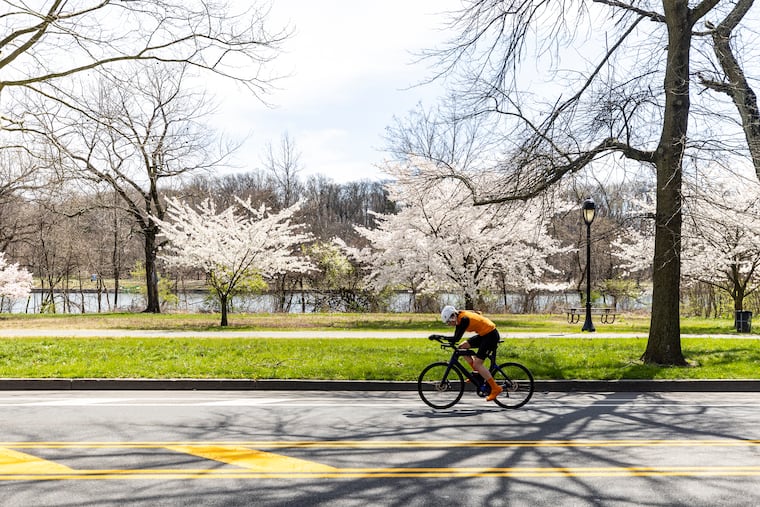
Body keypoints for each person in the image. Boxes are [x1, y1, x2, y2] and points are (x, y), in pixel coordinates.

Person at [440, 305, 503, 402]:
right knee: (462, 348)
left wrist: (439, 337)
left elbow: (456, 338)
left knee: (478, 363)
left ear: (453, 316)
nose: (449, 324)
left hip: (490, 336)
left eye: (449, 321)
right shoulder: (460, 317)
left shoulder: (463, 320)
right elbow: (455, 339)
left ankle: (495, 388)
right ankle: (478, 375)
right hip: (485, 334)